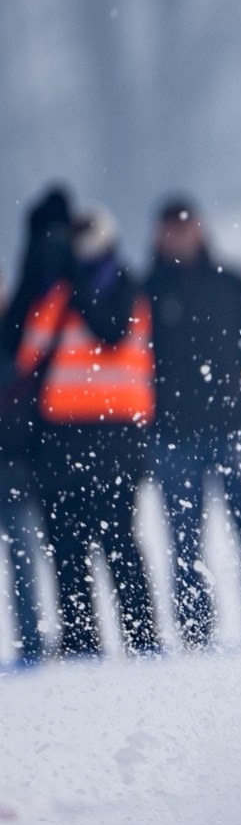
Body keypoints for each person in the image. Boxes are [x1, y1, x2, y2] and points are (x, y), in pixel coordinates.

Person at [14, 204, 160, 658]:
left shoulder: (68, 294)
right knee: (109, 544)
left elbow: (29, 354)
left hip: (75, 439)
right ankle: (133, 639)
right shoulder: (129, 289)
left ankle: (93, 641)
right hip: (108, 438)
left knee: (79, 548)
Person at [145, 196, 241, 646]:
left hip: (237, 429)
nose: (181, 236)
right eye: (172, 228)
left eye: (187, 226)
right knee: (184, 544)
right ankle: (195, 633)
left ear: (201, 228)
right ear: (159, 234)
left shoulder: (231, 281)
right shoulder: (146, 290)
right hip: (173, 437)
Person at [0, 186, 72, 665]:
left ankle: (33, 645)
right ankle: (34, 644)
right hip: (23, 452)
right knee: (30, 554)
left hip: (19, 456)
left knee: (28, 556)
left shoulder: (20, 313)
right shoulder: (23, 313)